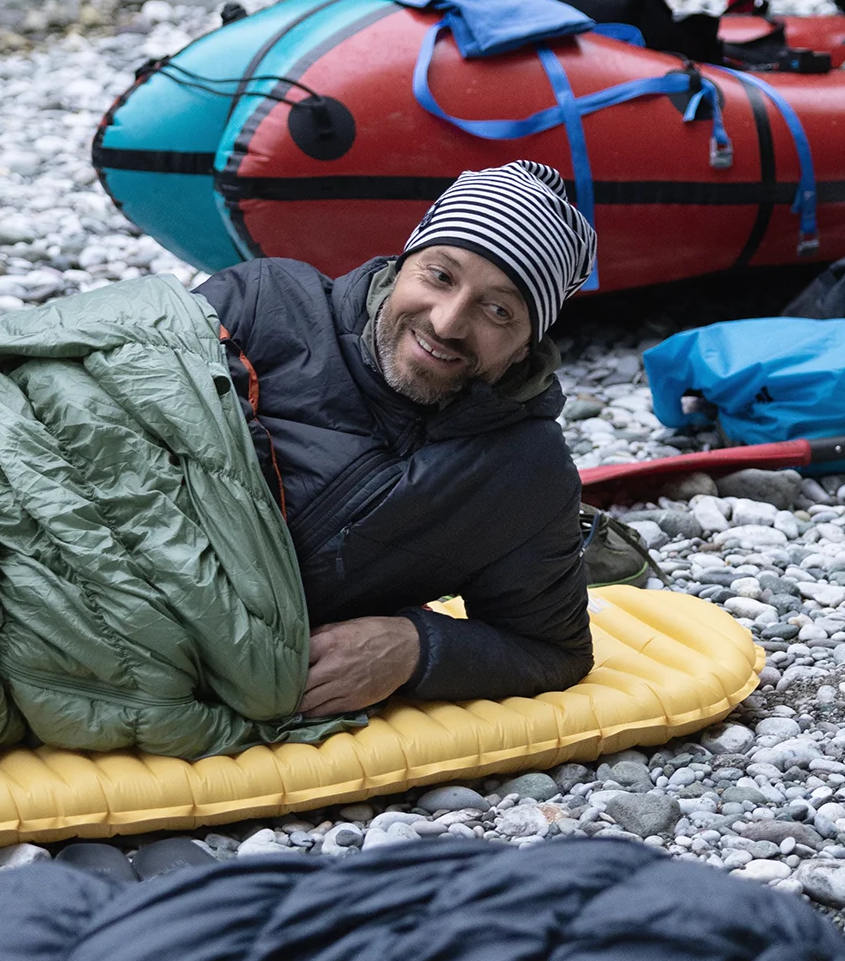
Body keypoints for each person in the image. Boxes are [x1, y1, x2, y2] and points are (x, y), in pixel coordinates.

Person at [195, 160, 598, 716]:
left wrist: (413, 647)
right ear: (402, 264)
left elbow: (554, 650)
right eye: (439, 276)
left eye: (498, 309)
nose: (448, 322)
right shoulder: (266, 302)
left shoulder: (522, 472)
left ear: (526, 347)